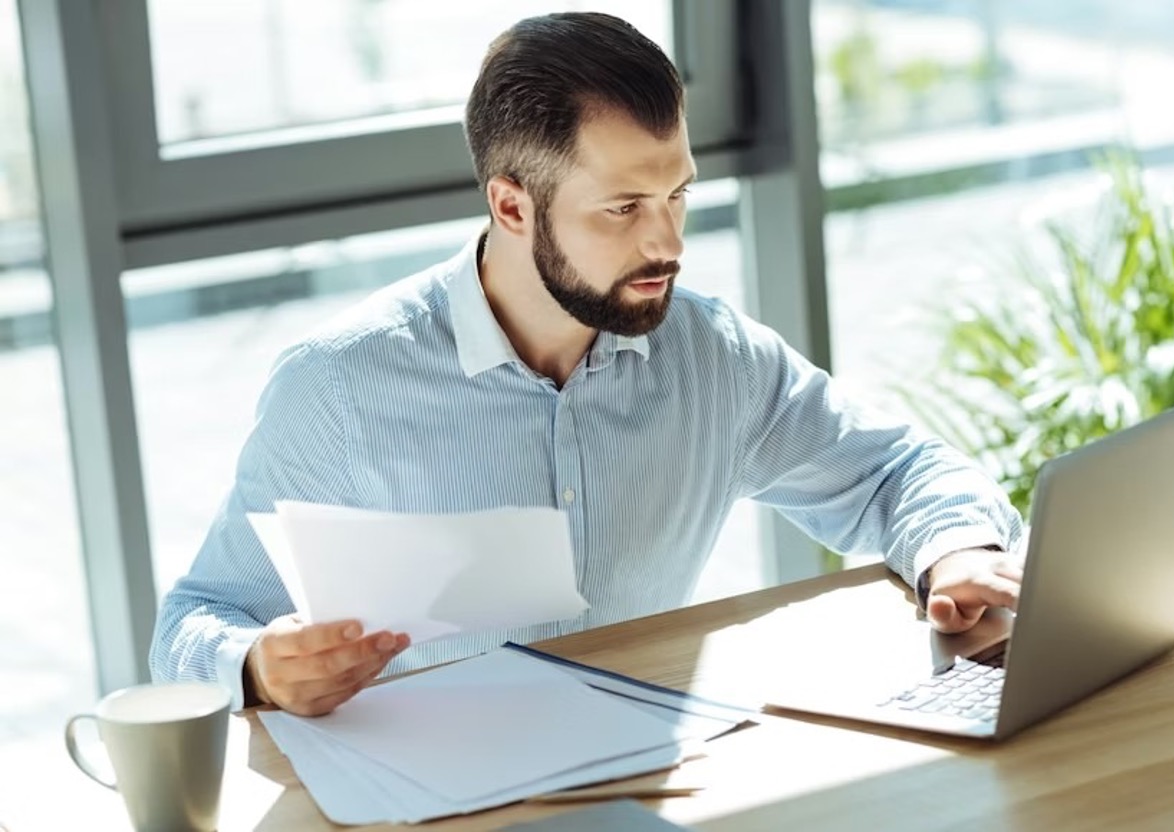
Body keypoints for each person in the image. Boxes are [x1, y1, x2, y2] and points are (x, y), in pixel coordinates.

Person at [150, 12, 1024, 717]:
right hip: (439, 806)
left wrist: (954, 549)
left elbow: (892, 473)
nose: (668, 240)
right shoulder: (337, 387)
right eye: (623, 207)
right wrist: (259, 667)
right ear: (512, 205)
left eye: (678, 192)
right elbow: (195, 620)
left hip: (660, 787)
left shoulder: (708, 356)